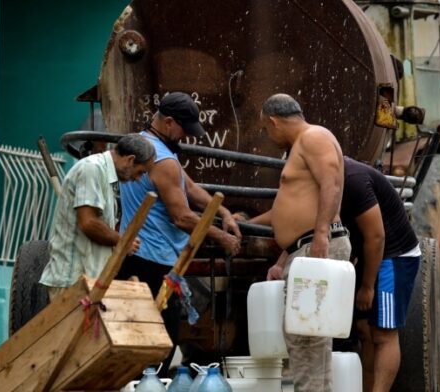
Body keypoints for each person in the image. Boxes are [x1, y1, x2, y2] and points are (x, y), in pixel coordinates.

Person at [117, 91, 242, 374]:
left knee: (137, 339)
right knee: (161, 344)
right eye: (184, 129)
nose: (185, 136)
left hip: (134, 256)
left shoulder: (147, 146)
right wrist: (222, 237)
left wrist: (223, 213)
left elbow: (192, 189)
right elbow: (182, 217)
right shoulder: (163, 161)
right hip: (155, 263)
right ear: (169, 122)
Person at [250, 93, 351, 392]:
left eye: (266, 130)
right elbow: (295, 208)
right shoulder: (306, 143)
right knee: (312, 337)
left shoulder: (313, 138)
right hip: (307, 246)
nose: (269, 137)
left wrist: (321, 234)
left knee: (305, 337)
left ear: (273, 121)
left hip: (317, 244)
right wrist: (285, 257)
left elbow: (330, 183)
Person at [39, 134, 156, 300]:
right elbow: (88, 223)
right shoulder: (92, 169)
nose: (137, 179)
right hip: (73, 282)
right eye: (140, 172)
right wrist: (122, 241)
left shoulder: (104, 175)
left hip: (88, 281)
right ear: (130, 160)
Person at [339, 157, 420, 392]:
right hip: (368, 254)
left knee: (383, 333)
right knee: (364, 330)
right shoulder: (325, 174)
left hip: (394, 256)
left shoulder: (353, 179)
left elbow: (377, 237)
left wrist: (367, 287)